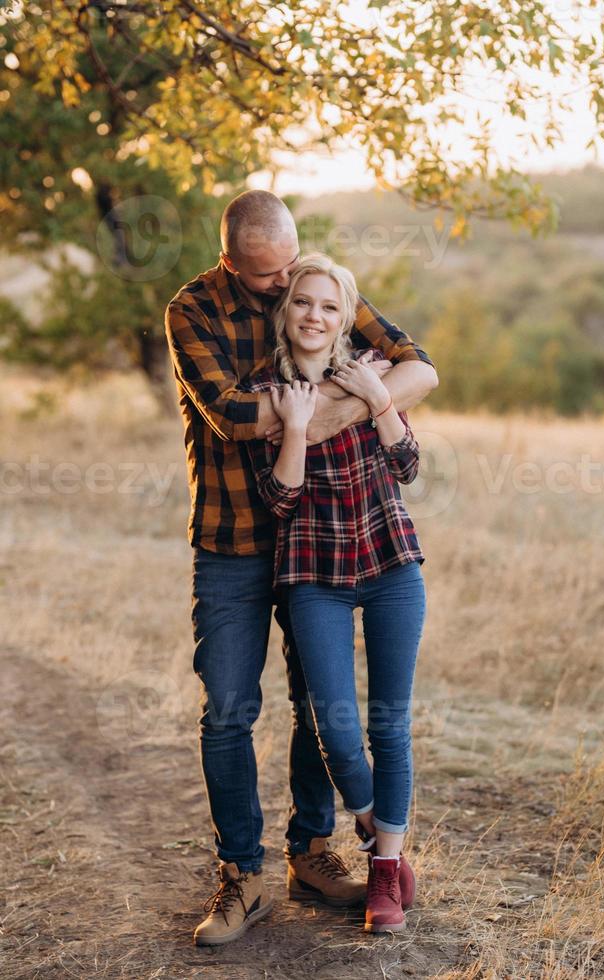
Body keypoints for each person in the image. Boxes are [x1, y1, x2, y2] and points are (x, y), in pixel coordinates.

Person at [164, 190, 438, 945]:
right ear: (232, 264)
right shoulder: (192, 311)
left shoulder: (318, 289)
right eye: (272, 282)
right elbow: (231, 414)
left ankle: (312, 852)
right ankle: (241, 875)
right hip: (233, 538)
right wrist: (326, 405)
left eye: (296, 274)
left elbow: (421, 368)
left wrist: (362, 398)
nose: (291, 293)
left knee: (320, 708)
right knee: (227, 708)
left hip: (326, 550)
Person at [244, 254, 426, 933]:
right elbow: (279, 501)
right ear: (285, 311)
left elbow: (407, 466)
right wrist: (294, 426)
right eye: (302, 303)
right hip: (313, 573)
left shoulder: (371, 374)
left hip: (390, 564)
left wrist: (378, 402)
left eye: (328, 306)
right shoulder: (267, 391)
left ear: (345, 317)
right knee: (335, 728)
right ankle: (378, 828)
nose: (314, 316)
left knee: (389, 724)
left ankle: (384, 872)